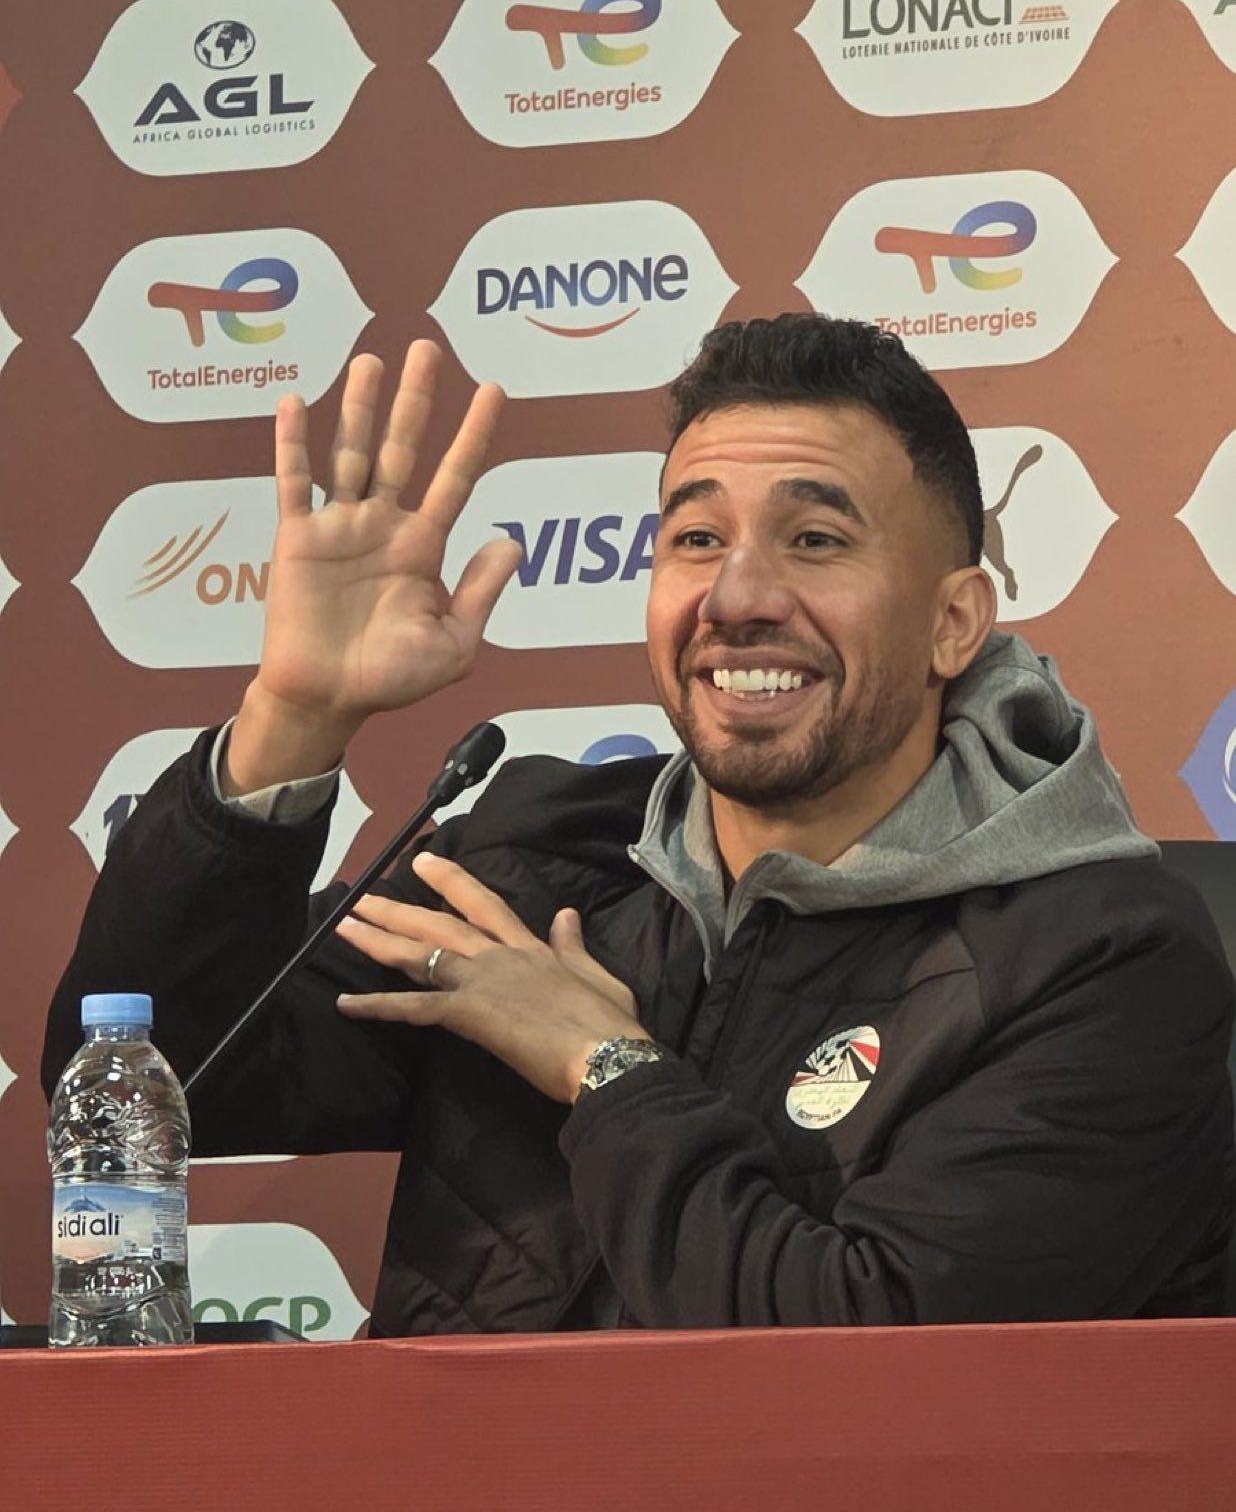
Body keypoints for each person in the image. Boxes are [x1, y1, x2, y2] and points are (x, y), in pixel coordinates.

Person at [42, 315, 1236, 1333]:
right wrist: (293, 719)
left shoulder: (1101, 959)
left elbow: (876, 1368)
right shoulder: (531, 858)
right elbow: (163, 1081)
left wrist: (604, 1068)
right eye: (696, 538)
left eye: (816, 540)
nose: (738, 597)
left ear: (954, 621)